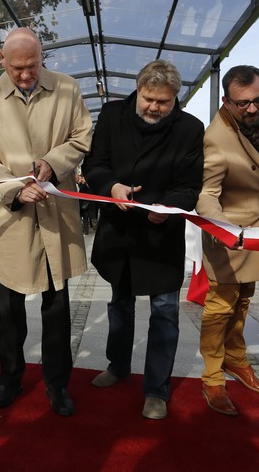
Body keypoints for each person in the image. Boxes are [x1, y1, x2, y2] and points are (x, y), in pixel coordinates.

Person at [0, 27, 92, 417]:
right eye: (17, 68)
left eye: (33, 66)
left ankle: (57, 384)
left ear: (42, 57)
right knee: (11, 310)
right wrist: (16, 189)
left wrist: (52, 164)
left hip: (56, 213)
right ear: (2, 61)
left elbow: (82, 137)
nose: (26, 75)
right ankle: (10, 379)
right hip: (14, 217)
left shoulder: (67, 89)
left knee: (57, 309)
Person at [82, 59, 204, 420]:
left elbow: (190, 185)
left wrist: (168, 207)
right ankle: (118, 364)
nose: (154, 107)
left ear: (175, 97)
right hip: (120, 231)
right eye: (148, 99)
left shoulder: (189, 129)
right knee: (119, 303)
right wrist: (111, 187)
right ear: (138, 90)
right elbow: (94, 165)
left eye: (163, 102)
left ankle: (156, 389)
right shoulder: (112, 115)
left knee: (164, 311)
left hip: (160, 234)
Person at [196, 65, 259, 416]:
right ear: (226, 101)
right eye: (243, 103)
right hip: (228, 237)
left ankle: (236, 358)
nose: (253, 109)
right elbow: (207, 194)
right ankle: (212, 376)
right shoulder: (215, 137)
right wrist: (221, 228)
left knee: (245, 299)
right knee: (220, 307)